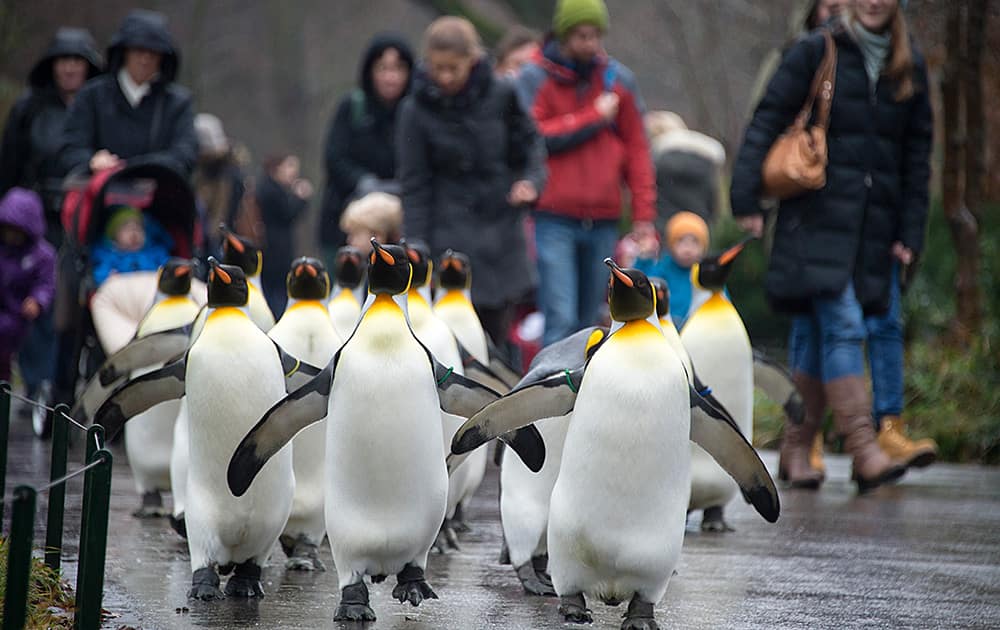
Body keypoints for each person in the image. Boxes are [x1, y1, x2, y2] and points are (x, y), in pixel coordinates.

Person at [730, 0, 932, 492]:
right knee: (842, 325)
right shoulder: (815, 50)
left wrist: (910, 231)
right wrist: (745, 197)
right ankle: (864, 448)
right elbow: (766, 119)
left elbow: (916, 156)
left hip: (872, 230)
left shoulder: (908, 66)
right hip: (814, 220)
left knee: (821, 338)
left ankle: (797, 449)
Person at [397, 16, 546, 346]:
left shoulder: (502, 95)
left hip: (500, 237)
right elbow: (414, 183)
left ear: (473, 60)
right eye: (438, 68)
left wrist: (530, 182)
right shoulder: (414, 111)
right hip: (445, 235)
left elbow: (531, 147)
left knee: (495, 342)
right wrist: (416, 243)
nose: (445, 77)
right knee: (449, 344)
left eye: (454, 68)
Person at [517, 0, 656, 346]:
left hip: (604, 219)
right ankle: (551, 396)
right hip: (553, 217)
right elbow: (532, 138)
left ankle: (582, 397)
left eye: (596, 35)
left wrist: (643, 217)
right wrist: (593, 116)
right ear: (563, 34)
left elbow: (638, 150)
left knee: (590, 321)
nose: (590, 43)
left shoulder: (619, 81)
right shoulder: (534, 77)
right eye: (581, 35)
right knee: (560, 318)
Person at [0, 27, 102, 412]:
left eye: (77, 61)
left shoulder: (97, 107)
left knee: (74, 301)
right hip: (33, 218)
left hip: (83, 218)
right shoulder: (30, 109)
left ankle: (68, 382)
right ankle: (37, 381)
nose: (70, 69)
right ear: (52, 67)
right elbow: (10, 162)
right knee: (33, 298)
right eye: (63, 61)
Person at [59, 9, 198, 178]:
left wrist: (131, 167)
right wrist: (92, 160)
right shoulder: (92, 95)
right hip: (99, 195)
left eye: (153, 52)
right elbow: (71, 148)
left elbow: (185, 155)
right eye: (139, 50)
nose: (145, 59)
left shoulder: (178, 103)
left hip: (159, 196)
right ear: (125, 51)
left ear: (163, 56)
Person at [320, 33, 414, 268]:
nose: (391, 77)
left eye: (398, 69)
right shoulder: (352, 108)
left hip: (405, 227)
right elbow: (334, 158)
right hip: (345, 224)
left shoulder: (416, 114)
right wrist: (364, 184)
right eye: (383, 68)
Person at [0, 189, 55, 385]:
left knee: (37, 346)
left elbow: (46, 284)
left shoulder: (43, 255)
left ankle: (37, 388)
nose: (12, 236)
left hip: (26, 318)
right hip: (4, 313)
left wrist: (37, 301)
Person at [645, 111, 726, 228]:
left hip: (665, 228)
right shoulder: (707, 160)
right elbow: (713, 200)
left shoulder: (655, 162)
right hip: (699, 229)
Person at [256, 154, 312, 317]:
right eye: (289, 167)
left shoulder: (271, 188)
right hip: (273, 253)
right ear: (277, 168)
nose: (293, 173)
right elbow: (288, 214)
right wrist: (300, 198)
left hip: (273, 252)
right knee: (276, 297)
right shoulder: (271, 191)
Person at [633, 211, 710, 329]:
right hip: (667, 326)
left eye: (694, 242)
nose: (688, 248)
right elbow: (641, 286)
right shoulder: (663, 269)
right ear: (670, 244)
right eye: (681, 241)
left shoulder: (707, 273)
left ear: (704, 247)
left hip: (698, 327)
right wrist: (644, 260)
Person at [193, 113, 246, 258]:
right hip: (207, 234)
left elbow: (226, 210)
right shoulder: (199, 170)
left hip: (217, 235)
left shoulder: (228, 173)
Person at [91, 206, 173, 286]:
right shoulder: (109, 257)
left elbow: (170, 266)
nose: (134, 234)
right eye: (127, 229)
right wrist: (108, 278)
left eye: (138, 229)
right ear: (114, 238)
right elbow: (99, 274)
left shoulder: (154, 253)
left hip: (151, 292)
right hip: (123, 295)